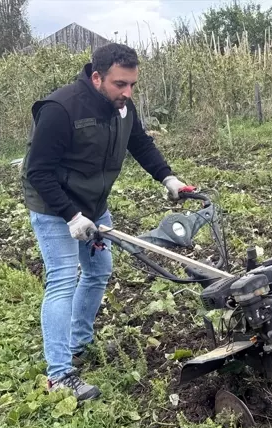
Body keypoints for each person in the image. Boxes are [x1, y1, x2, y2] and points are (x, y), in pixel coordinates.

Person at [20, 43, 188, 401]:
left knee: (98, 271)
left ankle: (79, 343)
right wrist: (70, 216)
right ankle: (59, 375)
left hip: (93, 204)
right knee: (63, 279)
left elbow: (140, 144)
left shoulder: (123, 109)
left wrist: (168, 179)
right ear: (97, 77)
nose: (127, 93)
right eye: (119, 84)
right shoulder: (60, 109)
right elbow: (38, 171)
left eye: (132, 85)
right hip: (54, 207)